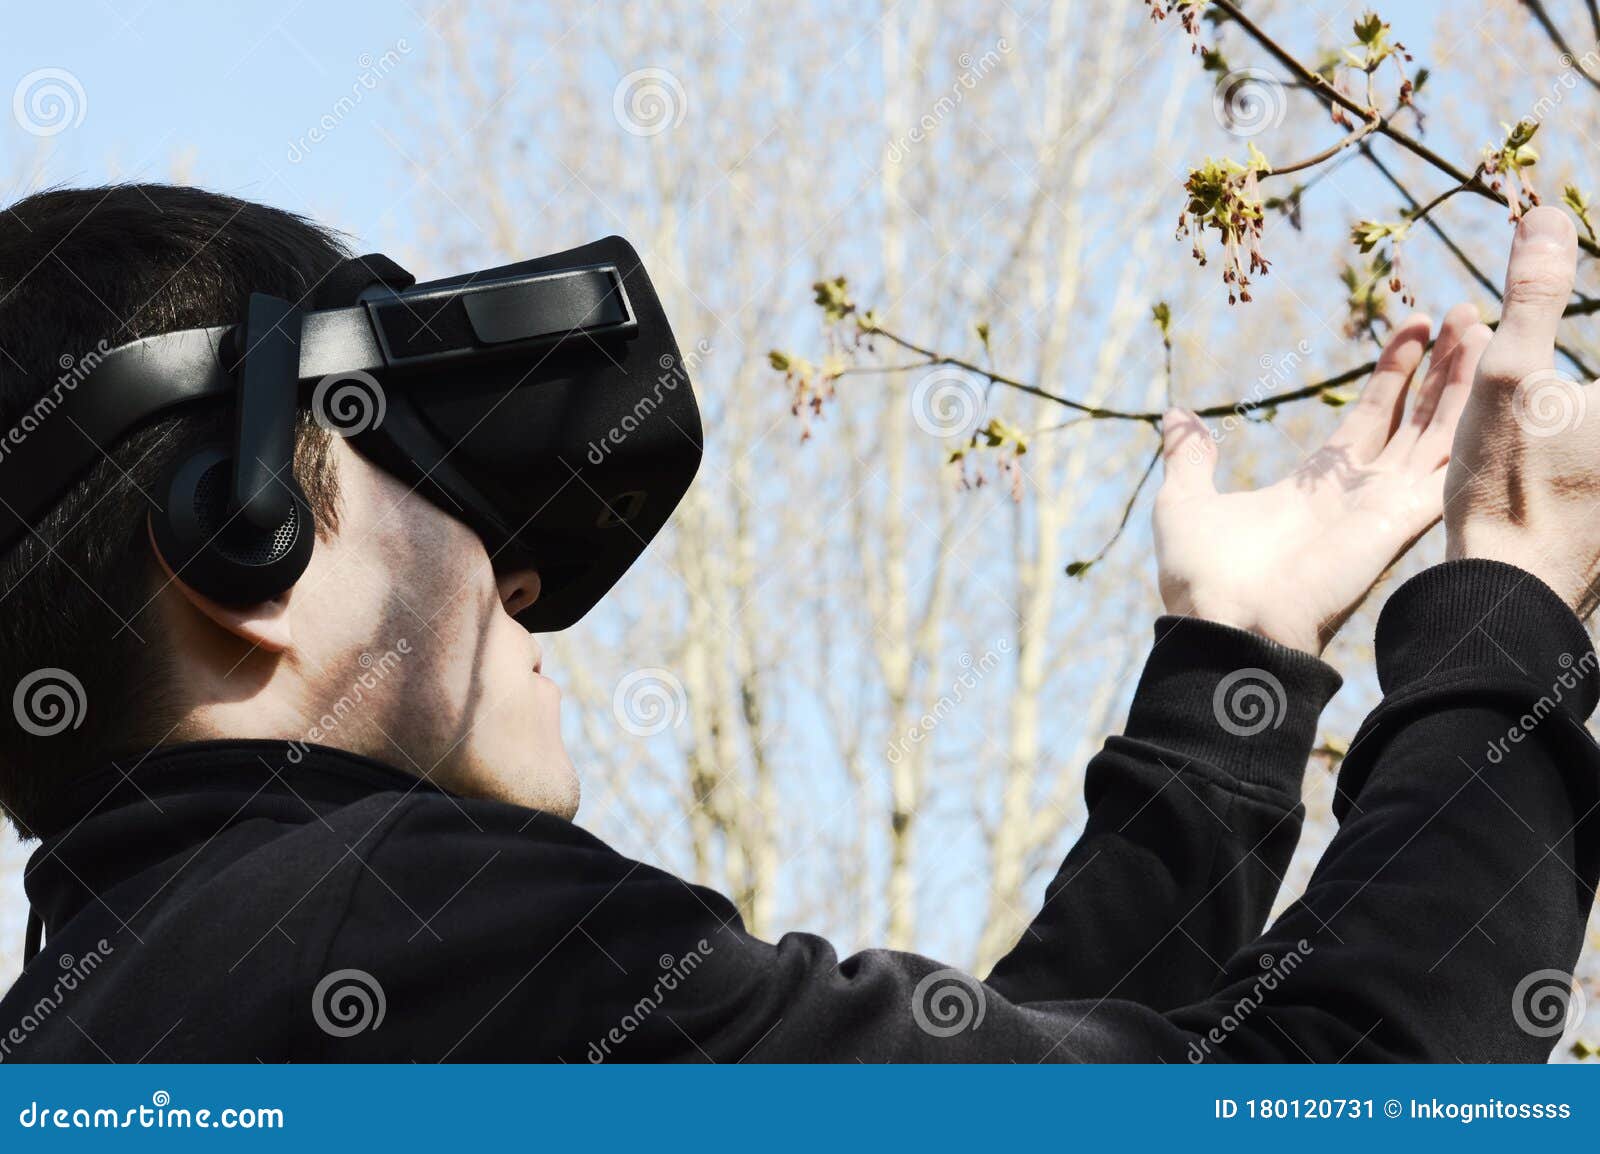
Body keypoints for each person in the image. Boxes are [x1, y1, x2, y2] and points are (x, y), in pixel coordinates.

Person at [0, 186, 1593, 1062]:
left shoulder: (111, 1023)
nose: (520, 575)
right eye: (435, 470)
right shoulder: (414, 933)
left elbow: (1010, 1084)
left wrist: (1231, 675)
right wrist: (1504, 614)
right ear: (236, 534)